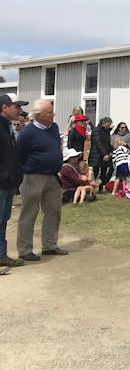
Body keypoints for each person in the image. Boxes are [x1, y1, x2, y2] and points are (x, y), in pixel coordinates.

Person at [16, 99, 68, 260]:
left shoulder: (54, 128)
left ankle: (50, 245)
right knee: (29, 213)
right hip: (33, 176)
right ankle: (25, 250)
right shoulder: (27, 132)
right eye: (49, 112)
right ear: (38, 115)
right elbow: (19, 155)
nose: (53, 114)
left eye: (52, 111)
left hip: (52, 176)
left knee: (53, 210)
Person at [0, 94, 27, 269]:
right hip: (2, 182)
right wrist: (5, 176)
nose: (19, 110)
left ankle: (1, 255)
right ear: (4, 107)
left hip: (8, 182)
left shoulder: (8, 127)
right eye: (15, 106)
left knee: (3, 219)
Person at [89, 117, 114, 187]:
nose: (109, 126)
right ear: (104, 123)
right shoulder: (96, 130)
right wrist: (105, 154)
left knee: (104, 172)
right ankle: (91, 187)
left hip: (105, 155)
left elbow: (108, 144)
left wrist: (112, 151)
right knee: (95, 173)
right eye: (108, 125)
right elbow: (98, 143)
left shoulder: (107, 131)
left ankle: (101, 186)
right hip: (96, 155)